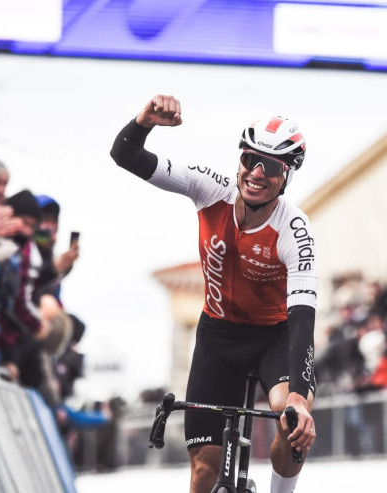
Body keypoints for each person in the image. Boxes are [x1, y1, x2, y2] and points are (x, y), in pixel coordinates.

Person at [111, 94, 317, 493]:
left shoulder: (294, 229)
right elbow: (125, 156)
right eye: (249, 159)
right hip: (218, 335)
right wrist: (144, 122)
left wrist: (298, 399)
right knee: (204, 471)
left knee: (290, 419)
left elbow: (303, 317)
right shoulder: (210, 189)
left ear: (287, 173)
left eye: (271, 166)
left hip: (273, 337)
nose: (256, 172)